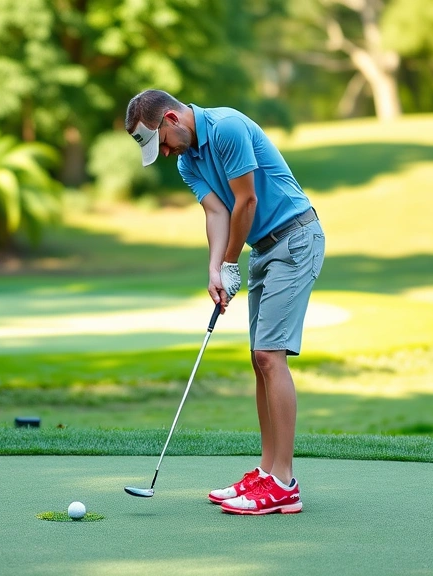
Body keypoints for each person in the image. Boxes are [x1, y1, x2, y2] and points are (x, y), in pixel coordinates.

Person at [126, 89, 325, 515]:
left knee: (272, 356)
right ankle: (267, 471)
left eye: (160, 142)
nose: (162, 154)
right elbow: (217, 213)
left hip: (294, 239)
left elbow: (247, 200)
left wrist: (232, 260)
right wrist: (216, 268)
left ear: (173, 119)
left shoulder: (227, 127)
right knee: (260, 359)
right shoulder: (186, 161)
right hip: (263, 247)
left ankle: (284, 483)